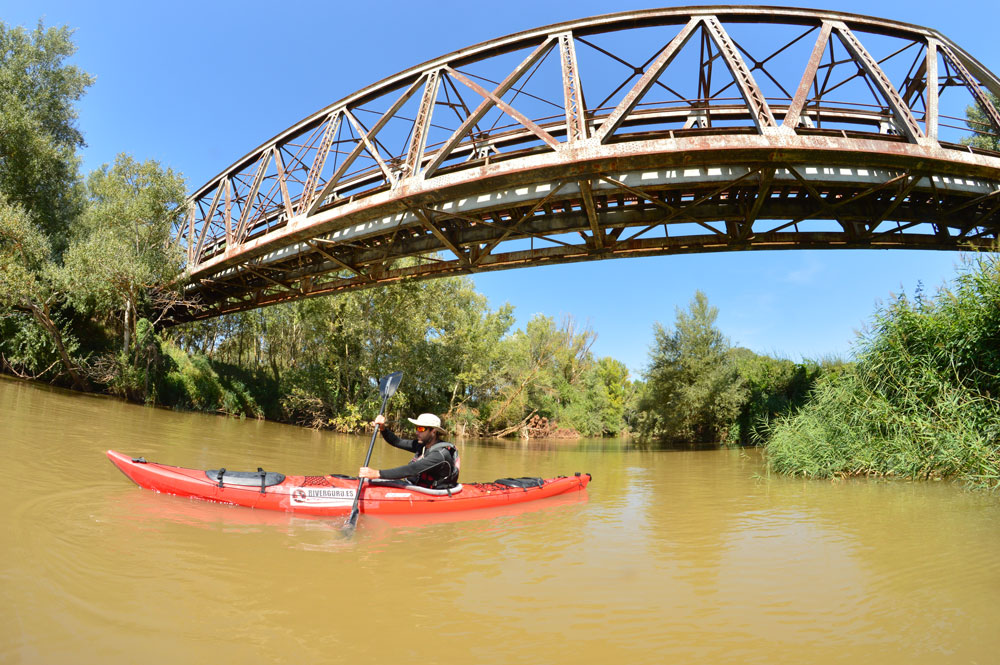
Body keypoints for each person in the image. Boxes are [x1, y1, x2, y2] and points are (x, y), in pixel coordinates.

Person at [358, 413, 460, 489]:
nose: (416, 432)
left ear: (433, 431)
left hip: (432, 494)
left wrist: (377, 473)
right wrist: (383, 428)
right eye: (416, 428)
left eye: (420, 428)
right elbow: (397, 442)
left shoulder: (440, 455)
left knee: (377, 478)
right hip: (415, 487)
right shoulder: (422, 445)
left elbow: (411, 470)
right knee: (369, 481)